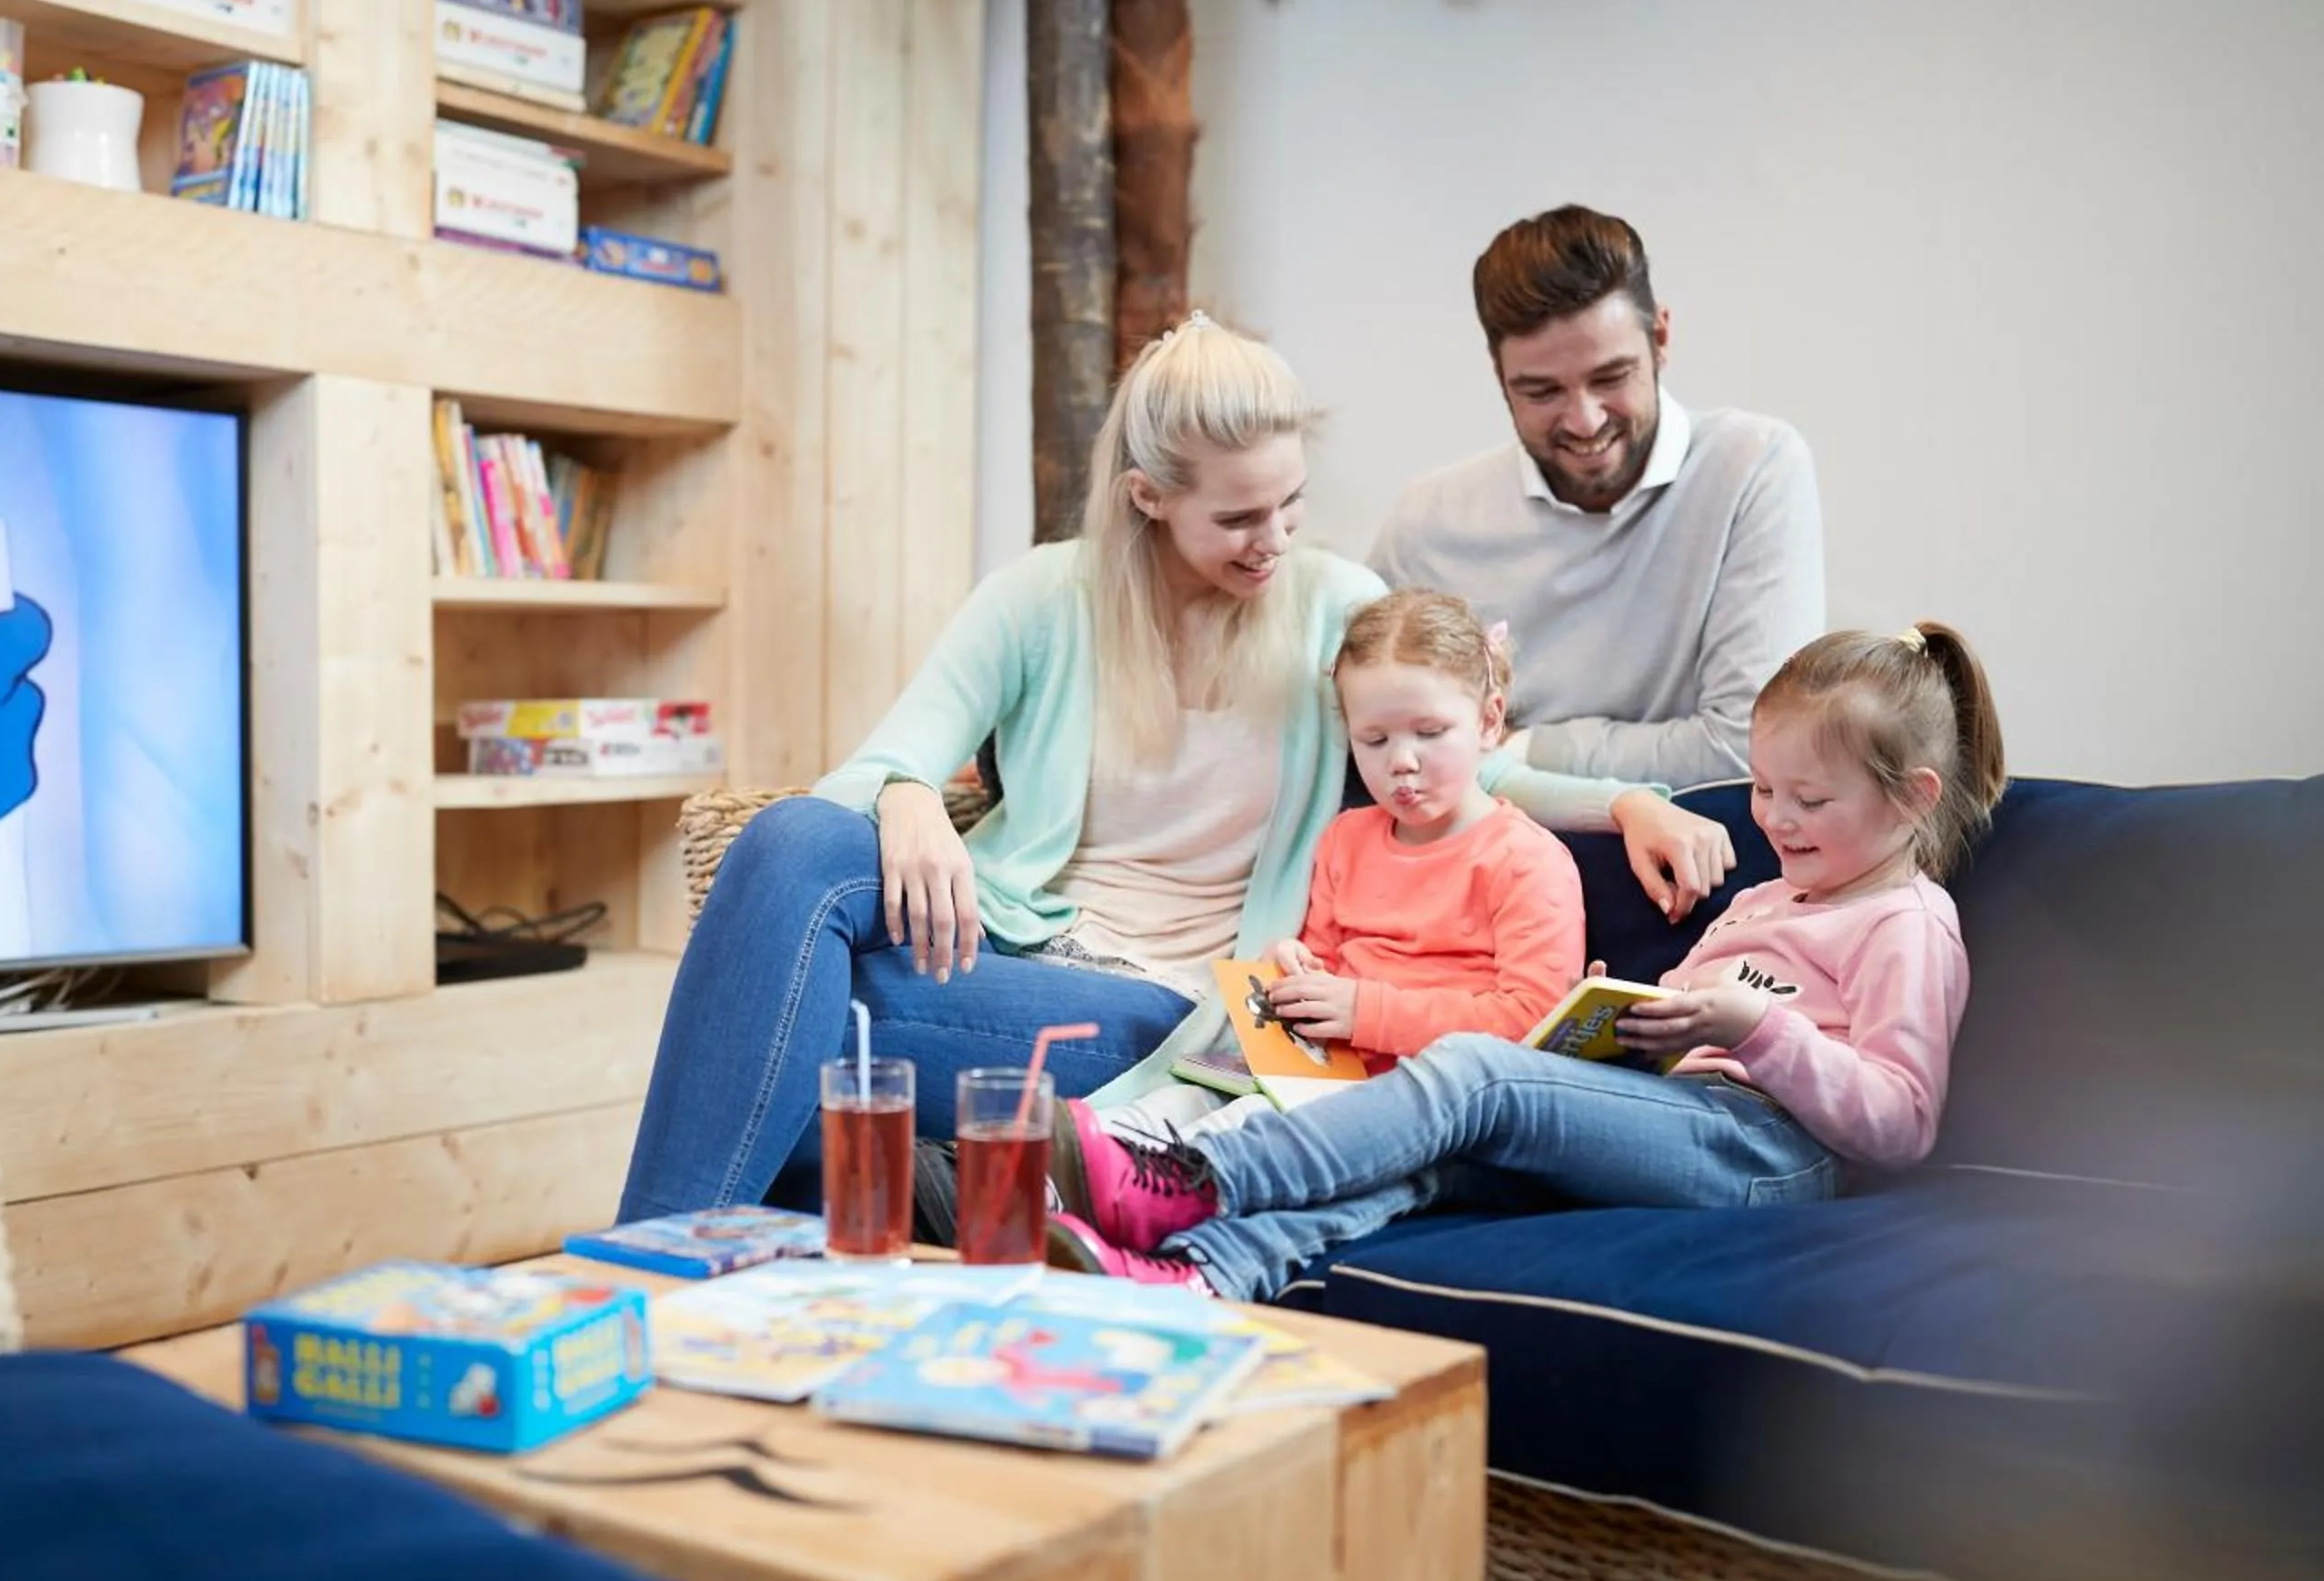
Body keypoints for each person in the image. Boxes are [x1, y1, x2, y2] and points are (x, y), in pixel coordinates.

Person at [615, 314, 1732, 1224]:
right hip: (1009, 941)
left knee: (792, 1005)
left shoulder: (1329, 606)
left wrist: (1626, 799)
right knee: (792, 843)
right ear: (1149, 494)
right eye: (1238, 515)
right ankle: (676, 1259)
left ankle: (660, 1264)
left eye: (1292, 504)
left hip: (1175, 1006)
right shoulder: (1043, 597)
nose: (1276, 539)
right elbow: (875, 765)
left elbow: (1449, 758)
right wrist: (908, 790)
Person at [1045, 621, 2008, 1302]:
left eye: (1810, 798)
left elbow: (1901, 1122)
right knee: (1432, 1157)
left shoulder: (1908, 923)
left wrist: (1756, 1027)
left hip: (1772, 1155)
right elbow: (1684, 1027)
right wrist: (1621, 1015)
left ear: (1914, 797)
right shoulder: (1766, 899)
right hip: (1682, 1119)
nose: (1775, 819)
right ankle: (1203, 1271)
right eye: (1763, 788)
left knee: (1470, 1075)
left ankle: (1195, 1176)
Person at [1368, 205, 1826, 796]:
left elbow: (1752, 745)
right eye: (1542, 391)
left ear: (1660, 338)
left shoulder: (1752, 467)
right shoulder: (1428, 523)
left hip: (1704, 858)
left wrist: (1522, 747)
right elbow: (1357, 730)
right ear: (1499, 375)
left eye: (1611, 378)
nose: (1584, 422)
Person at [1251, 587, 1585, 1068]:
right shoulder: (1346, 838)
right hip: (1323, 1077)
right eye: (1374, 739)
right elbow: (1324, 963)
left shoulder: (1527, 860)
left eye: (1430, 733)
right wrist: (1293, 965)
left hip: (1451, 1099)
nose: (1402, 762)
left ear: (1489, 721)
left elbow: (1537, 1021)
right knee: (1186, 1104)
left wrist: (1365, 1012)